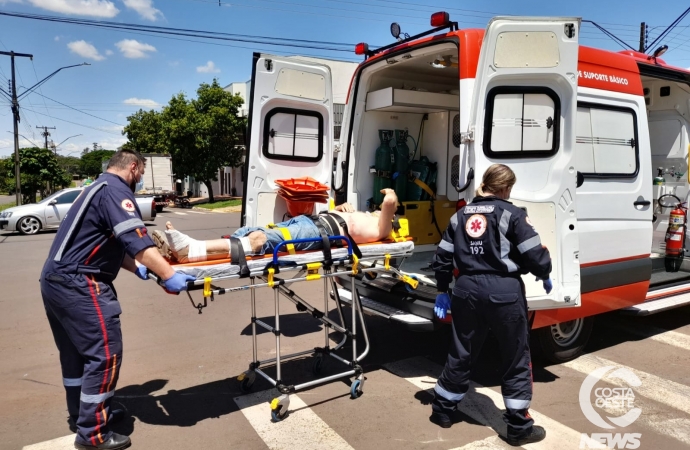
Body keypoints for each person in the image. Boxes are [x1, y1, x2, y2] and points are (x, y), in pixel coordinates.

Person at [40, 150, 195, 450]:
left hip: (55, 280)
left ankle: (82, 414)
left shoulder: (95, 187)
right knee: (105, 353)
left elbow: (110, 241)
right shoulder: (116, 191)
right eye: (141, 174)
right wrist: (168, 273)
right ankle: (93, 433)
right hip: (80, 282)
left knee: (76, 356)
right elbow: (136, 239)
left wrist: (136, 266)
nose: (140, 180)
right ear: (134, 167)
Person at [429, 164, 552, 446]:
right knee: (515, 356)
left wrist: (441, 289)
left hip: (466, 290)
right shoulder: (513, 214)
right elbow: (534, 254)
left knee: (462, 350)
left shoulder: (461, 215)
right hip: (504, 293)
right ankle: (519, 427)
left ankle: (443, 411)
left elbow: (443, 256)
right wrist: (545, 272)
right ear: (506, 187)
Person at [153, 188, 400, 263]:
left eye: (386, 211)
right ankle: (193, 250)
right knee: (251, 233)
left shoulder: (382, 228)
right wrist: (340, 209)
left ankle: (191, 249)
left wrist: (391, 195)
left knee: (259, 240)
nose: (380, 208)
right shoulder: (366, 216)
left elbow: (389, 202)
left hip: (316, 232)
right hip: (311, 223)